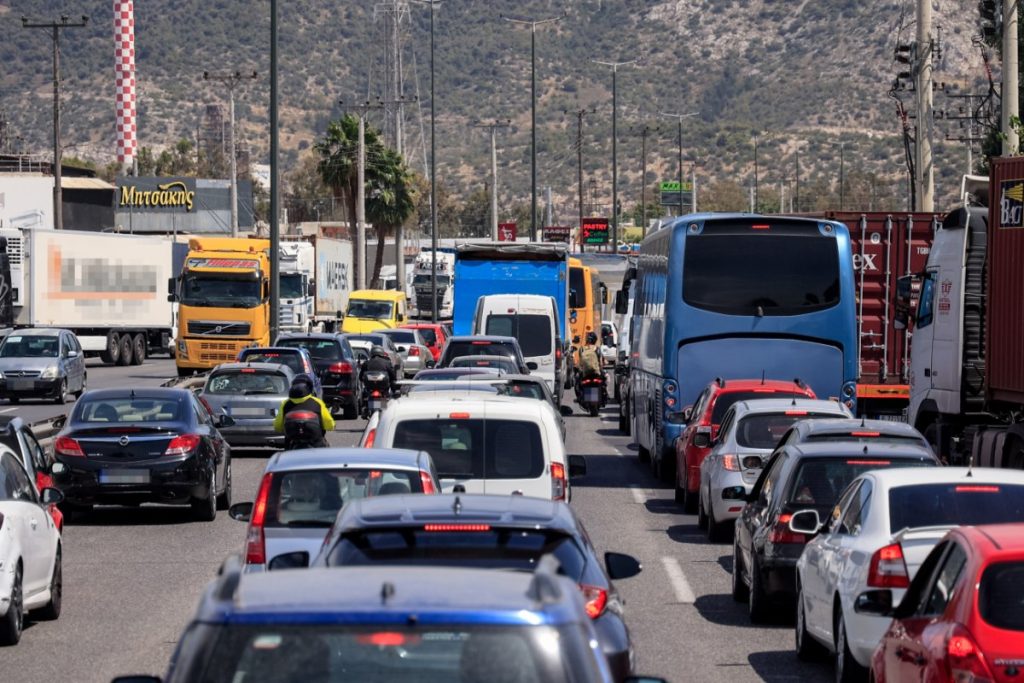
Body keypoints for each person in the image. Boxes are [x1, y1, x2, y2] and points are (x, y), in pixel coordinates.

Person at [273, 374, 335, 448]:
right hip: (316, 444)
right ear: (310, 388)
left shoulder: (286, 404)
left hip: (291, 446)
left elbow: (277, 426)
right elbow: (329, 424)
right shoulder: (317, 402)